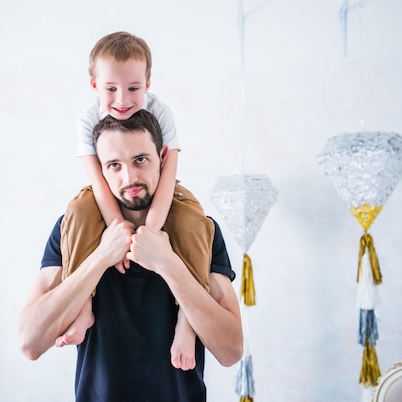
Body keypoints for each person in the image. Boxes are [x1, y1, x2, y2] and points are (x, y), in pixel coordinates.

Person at [19, 110, 243, 402]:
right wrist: (101, 257)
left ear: (162, 157)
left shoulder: (200, 230)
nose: (130, 177)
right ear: (100, 170)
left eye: (140, 159)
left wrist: (168, 263)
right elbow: (29, 343)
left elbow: (231, 351)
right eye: (114, 165)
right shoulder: (72, 230)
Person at [58, 31, 215, 371]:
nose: (123, 99)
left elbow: (169, 170)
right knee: (79, 212)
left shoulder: (161, 111)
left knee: (193, 222)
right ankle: (83, 304)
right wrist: (120, 229)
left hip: (163, 190)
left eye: (133, 88)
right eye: (111, 89)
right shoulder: (87, 121)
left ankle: (187, 322)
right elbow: (99, 182)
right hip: (107, 193)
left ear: (147, 83)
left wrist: (151, 232)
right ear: (94, 86)